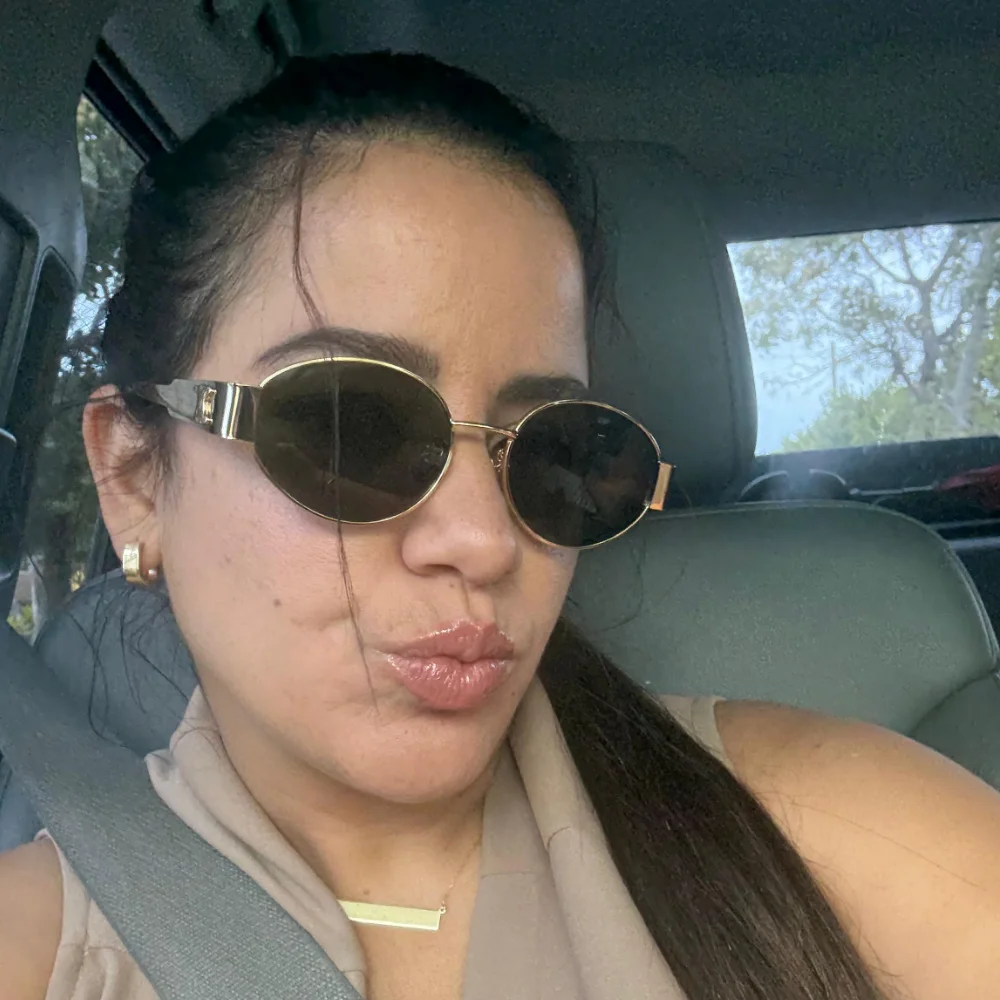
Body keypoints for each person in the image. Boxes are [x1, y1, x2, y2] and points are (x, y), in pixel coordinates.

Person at [1, 51, 998, 1000]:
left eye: (554, 451)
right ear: (134, 478)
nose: (485, 540)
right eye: (351, 429)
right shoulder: (29, 944)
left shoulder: (845, 834)